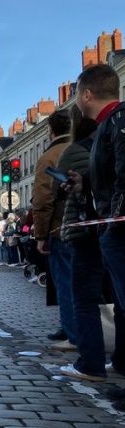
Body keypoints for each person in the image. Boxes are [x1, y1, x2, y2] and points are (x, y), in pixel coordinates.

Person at [63, 64, 125, 393]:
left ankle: (94, 365)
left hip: (116, 227)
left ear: (87, 94)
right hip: (108, 224)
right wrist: (83, 181)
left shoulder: (116, 121)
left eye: (77, 93)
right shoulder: (106, 126)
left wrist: (115, 220)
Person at [57, 104, 109, 380]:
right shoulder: (109, 139)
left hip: (87, 229)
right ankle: (118, 359)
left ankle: (90, 361)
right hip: (108, 225)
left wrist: (73, 185)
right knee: (114, 296)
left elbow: (53, 191)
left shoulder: (75, 149)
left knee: (84, 296)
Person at [31, 109, 73, 343]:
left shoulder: (50, 157)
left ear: (50, 131)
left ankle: (71, 331)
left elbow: (43, 198)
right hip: (89, 225)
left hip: (60, 227)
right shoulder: (85, 148)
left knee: (65, 282)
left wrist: (41, 234)